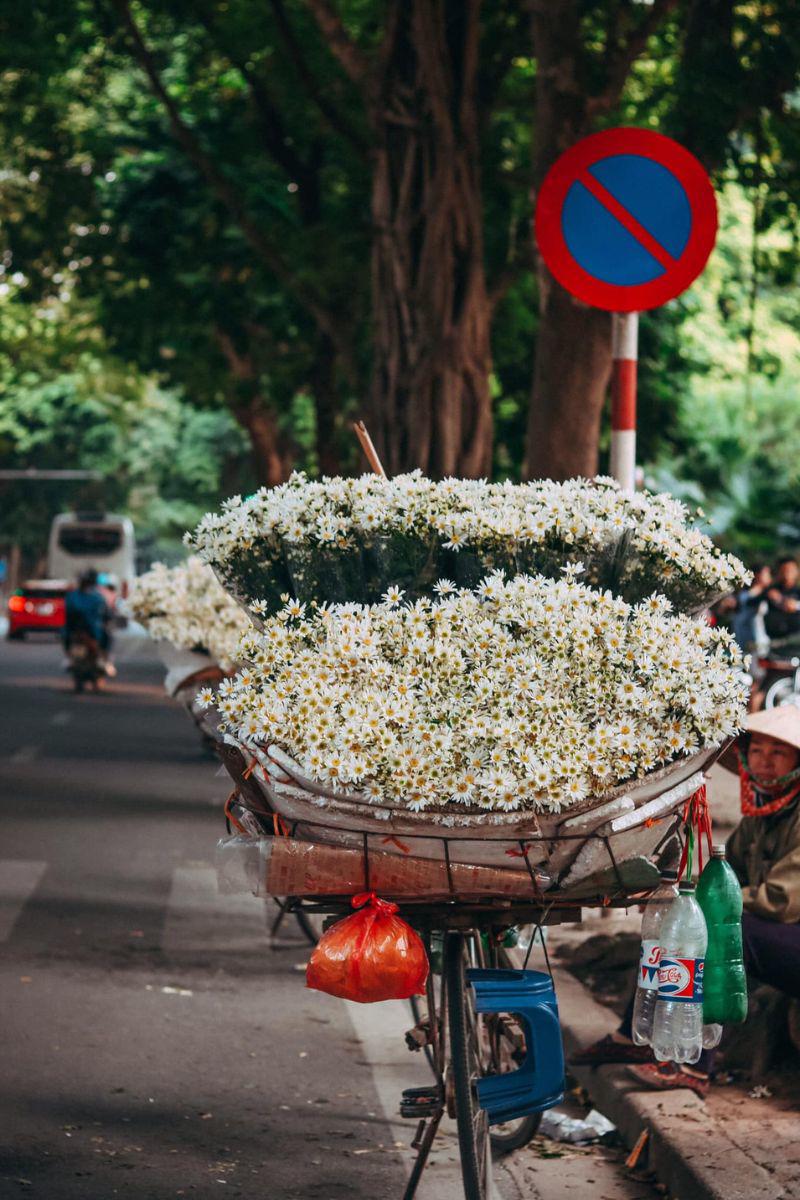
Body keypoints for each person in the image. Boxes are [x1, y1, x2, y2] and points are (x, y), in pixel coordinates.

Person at [572, 706, 800, 1098]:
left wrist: (709, 905)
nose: (764, 761)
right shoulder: (763, 813)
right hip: (779, 938)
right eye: (758, 750)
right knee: (683, 919)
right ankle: (635, 1035)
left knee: (721, 928)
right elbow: (733, 875)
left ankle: (694, 1068)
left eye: (778, 753)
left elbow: (779, 901)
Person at [64, 569, 116, 675]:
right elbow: (106, 614)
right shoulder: (97, 597)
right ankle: (105, 661)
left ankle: (70, 658)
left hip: (78, 630)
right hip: (89, 630)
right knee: (107, 637)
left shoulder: (73, 596)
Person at [764, 556, 800, 644]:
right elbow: (750, 601)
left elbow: (793, 605)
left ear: (797, 571)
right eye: (784, 569)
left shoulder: (798, 592)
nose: (787, 573)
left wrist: (796, 605)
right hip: (774, 642)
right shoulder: (770, 591)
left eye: (790, 569)